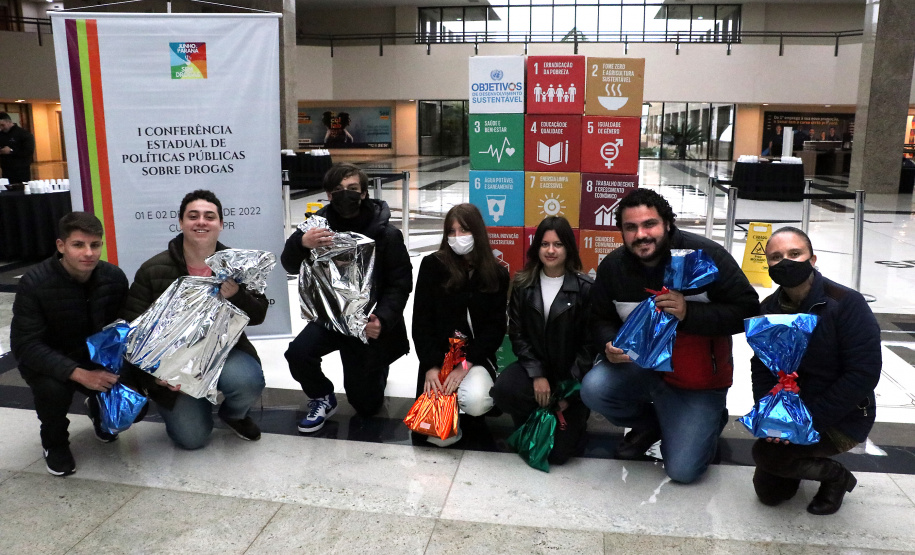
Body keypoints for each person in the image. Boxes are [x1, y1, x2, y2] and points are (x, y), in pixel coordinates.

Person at [580, 188, 758, 484]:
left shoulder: (705, 256)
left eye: (649, 224)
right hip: (641, 368)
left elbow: (748, 310)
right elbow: (599, 318)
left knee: (683, 471)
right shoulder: (613, 267)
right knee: (595, 389)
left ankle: (708, 419)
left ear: (668, 224)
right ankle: (652, 423)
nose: (641, 234)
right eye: (631, 227)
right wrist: (607, 342)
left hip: (695, 378)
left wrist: (690, 313)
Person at [121, 190, 267, 449]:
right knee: (192, 439)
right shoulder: (153, 270)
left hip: (223, 353)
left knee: (248, 381)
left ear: (221, 224)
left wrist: (236, 296)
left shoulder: (238, 266)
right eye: (193, 216)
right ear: (181, 223)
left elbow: (258, 315)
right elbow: (132, 331)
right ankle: (194, 404)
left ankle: (233, 415)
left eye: (209, 216)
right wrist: (154, 376)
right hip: (172, 366)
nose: (201, 221)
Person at [751, 227, 881, 515]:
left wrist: (809, 420)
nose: (785, 262)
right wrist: (770, 416)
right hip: (792, 410)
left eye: (794, 254)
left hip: (840, 415)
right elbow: (760, 366)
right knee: (770, 494)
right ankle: (800, 457)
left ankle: (836, 477)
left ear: (813, 259)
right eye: (775, 257)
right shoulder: (768, 309)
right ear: (768, 265)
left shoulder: (846, 303)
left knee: (768, 457)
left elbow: (863, 372)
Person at [283, 163, 412, 432]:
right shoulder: (315, 229)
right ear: (329, 195)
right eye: (338, 190)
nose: (346, 194)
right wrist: (301, 243)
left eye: (352, 189)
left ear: (364, 193)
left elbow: (399, 284)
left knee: (366, 404)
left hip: (367, 322)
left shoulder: (386, 234)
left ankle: (377, 368)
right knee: (297, 353)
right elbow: (289, 265)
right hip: (330, 317)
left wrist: (383, 320)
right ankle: (322, 396)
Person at [11, 212, 129, 476]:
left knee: (136, 404)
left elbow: (125, 327)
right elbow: (26, 345)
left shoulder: (114, 277)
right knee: (53, 392)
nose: (88, 253)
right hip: (48, 360)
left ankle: (99, 410)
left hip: (96, 357)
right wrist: (80, 375)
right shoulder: (35, 283)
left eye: (95, 245)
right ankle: (54, 442)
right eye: (78, 245)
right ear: (61, 246)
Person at [491, 216, 593, 464]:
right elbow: (517, 334)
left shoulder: (585, 288)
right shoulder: (523, 284)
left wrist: (566, 391)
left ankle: (571, 419)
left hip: (570, 376)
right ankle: (532, 416)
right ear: (536, 247)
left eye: (558, 244)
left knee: (557, 456)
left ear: (568, 248)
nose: (550, 250)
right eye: (545, 244)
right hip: (533, 371)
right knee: (503, 390)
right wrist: (537, 374)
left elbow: (589, 345)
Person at [411, 203, 509, 446]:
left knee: (478, 400)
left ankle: (463, 406)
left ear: (477, 232)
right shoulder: (433, 266)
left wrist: (464, 365)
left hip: (472, 358)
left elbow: (495, 329)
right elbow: (421, 322)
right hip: (438, 358)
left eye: (464, 231)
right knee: (438, 438)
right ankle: (450, 406)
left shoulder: (496, 274)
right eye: (451, 232)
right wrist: (432, 366)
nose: (457, 238)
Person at [0, 112, 35, 184]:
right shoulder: (1, 135)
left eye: (2, 125)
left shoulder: (23, 134)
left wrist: (11, 151)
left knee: (21, 190)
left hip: (21, 170)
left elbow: (28, 151)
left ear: (9, 122)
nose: (1, 128)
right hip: (6, 169)